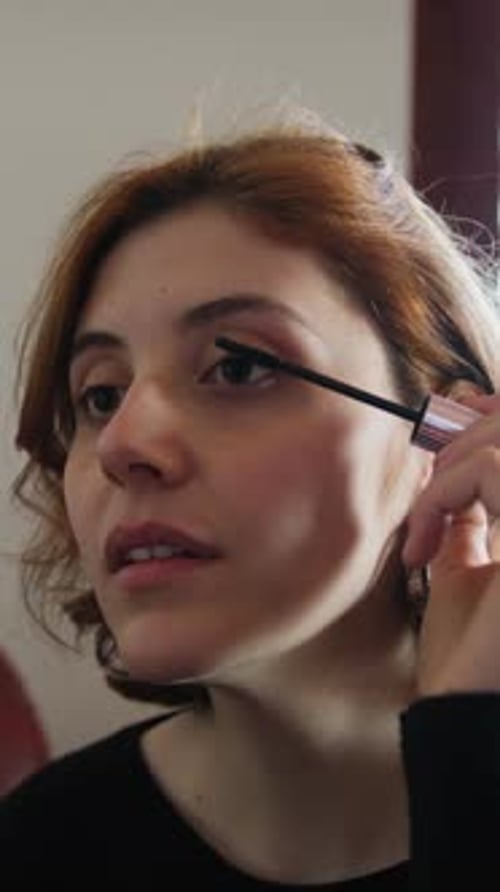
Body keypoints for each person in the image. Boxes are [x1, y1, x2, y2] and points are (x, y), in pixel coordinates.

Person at [2, 111, 500, 888]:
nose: (124, 444)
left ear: (447, 436)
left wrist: (473, 752)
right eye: (99, 396)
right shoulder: (36, 851)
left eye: (239, 369)